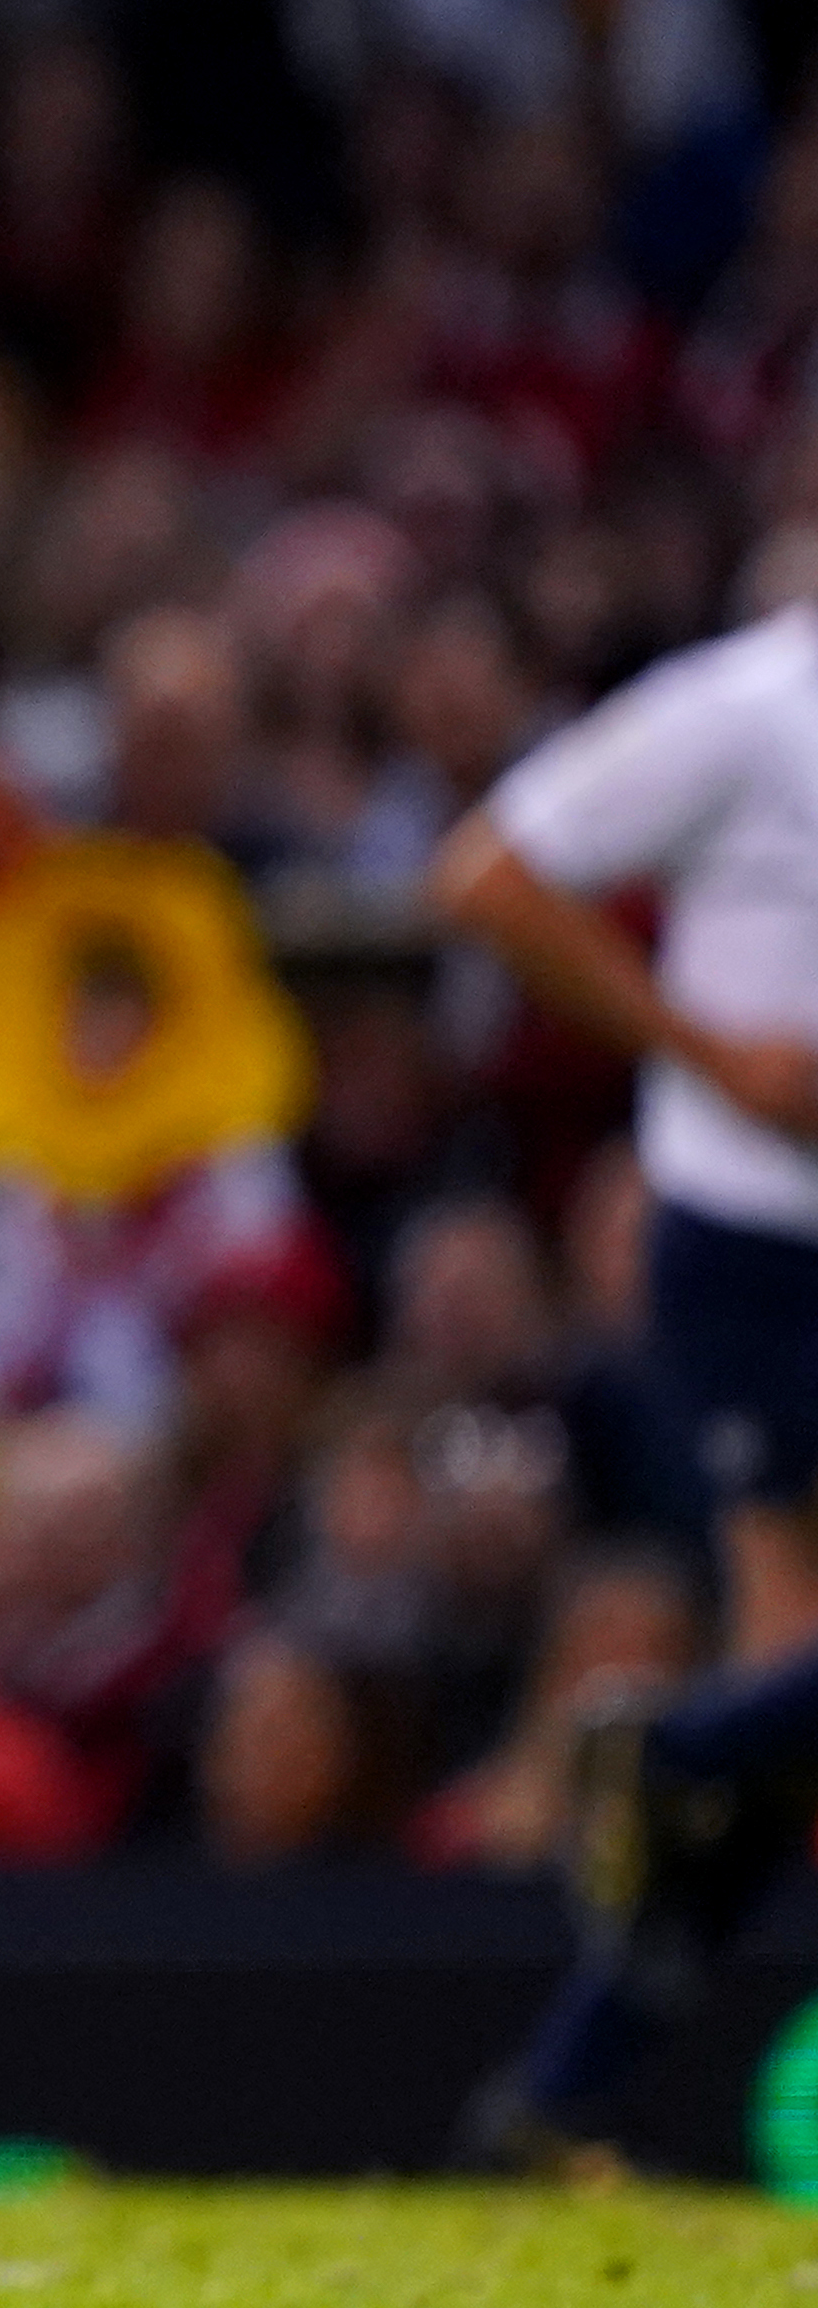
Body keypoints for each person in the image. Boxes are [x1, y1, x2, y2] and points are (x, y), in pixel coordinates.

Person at [435, 589, 818, 2165]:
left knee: (790, 1719)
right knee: (794, 1665)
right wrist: (708, 1047)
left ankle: (565, 2086)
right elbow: (492, 877)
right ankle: (578, 2064)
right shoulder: (743, 708)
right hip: (759, 1242)